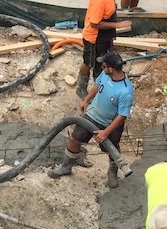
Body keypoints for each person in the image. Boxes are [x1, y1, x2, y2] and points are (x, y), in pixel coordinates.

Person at [50, 51, 133, 187]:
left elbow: (122, 116)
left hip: (110, 124)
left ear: (111, 69)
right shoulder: (105, 75)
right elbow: (97, 86)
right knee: (74, 139)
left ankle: (112, 172)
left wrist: (106, 132)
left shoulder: (125, 91)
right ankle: (66, 167)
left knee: (112, 149)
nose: (102, 68)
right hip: (92, 115)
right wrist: (86, 100)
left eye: (104, 66)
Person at [75, 0, 130, 98]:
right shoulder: (99, 0)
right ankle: (82, 88)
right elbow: (94, 23)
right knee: (91, 62)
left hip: (102, 36)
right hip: (95, 38)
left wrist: (110, 6)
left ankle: (100, 85)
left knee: (99, 60)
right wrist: (117, 25)